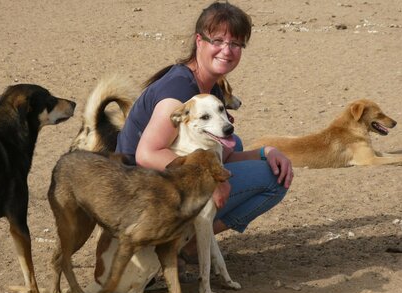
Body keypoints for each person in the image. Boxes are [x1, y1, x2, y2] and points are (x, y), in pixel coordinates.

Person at [112, 1, 293, 270]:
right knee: (273, 181)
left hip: (156, 184)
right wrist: (211, 180)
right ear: (199, 40)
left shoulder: (209, 87)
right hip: (140, 198)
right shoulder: (179, 90)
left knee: (230, 142)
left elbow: (228, 154)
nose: (227, 50)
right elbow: (147, 153)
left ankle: (190, 239)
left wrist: (267, 152)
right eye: (218, 40)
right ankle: (187, 245)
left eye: (236, 44)